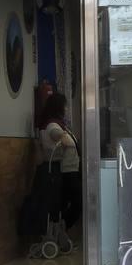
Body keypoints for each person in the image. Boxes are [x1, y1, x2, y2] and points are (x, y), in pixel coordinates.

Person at [38, 93, 81, 228]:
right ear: (59, 107)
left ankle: (61, 230)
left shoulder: (60, 124)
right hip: (65, 170)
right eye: (65, 106)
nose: (66, 109)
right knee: (77, 201)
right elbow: (65, 140)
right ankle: (62, 228)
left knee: (66, 202)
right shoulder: (52, 125)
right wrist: (64, 137)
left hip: (71, 168)